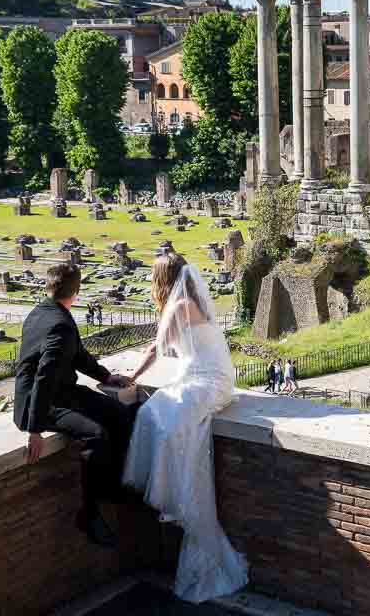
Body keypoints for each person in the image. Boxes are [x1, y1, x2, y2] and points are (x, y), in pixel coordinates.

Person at [123, 252, 248, 603]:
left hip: (209, 380)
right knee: (153, 414)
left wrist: (131, 377)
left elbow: (156, 349)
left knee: (167, 420)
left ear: (163, 279)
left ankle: (176, 497)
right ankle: (173, 495)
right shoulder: (187, 302)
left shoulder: (178, 307)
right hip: (201, 375)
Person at [13, 262, 135, 547]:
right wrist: (35, 428)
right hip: (41, 402)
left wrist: (106, 376)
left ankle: (110, 486)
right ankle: (90, 512)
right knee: (96, 434)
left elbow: (78, 356)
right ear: (76, 291)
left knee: (119, 413)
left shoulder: (44, 313)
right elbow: (43, 377)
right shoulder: (60, 324)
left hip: (62, 391)